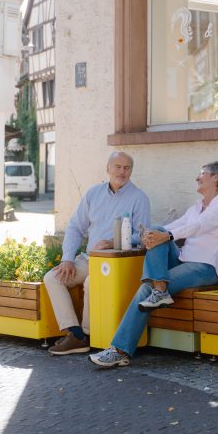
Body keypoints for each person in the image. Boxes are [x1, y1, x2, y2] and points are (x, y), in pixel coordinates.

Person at [90, 161, 218, 368]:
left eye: (202, 173)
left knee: (145, 288)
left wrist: (166, 236)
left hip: (205, 267)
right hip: (184, 260)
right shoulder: (196, 207)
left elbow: (199, 226)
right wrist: (148, 236)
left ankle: (119, 350)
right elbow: (172, 227)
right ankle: (160, 290)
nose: (197, 177)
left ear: (216, 178)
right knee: (156, 229)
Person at [43, 151, 151, 355]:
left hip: (116, 263)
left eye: (127, 168)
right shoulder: (94, 194)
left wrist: (113, 242)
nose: (122, 171)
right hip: (89, 259)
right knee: (53, 277)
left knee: (92, 282)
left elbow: (143, 235)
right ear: (108, 169)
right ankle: (75, 334)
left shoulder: (139, 198)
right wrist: (67, 259)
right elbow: (75, 227)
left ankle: (88, 333)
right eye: (118, 166)